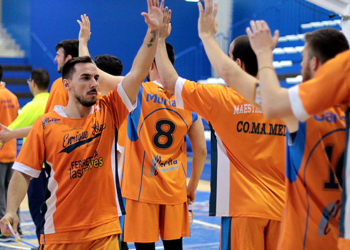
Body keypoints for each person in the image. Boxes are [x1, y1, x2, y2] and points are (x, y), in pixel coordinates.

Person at [0, 2, 164, 249]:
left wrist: (153, 32)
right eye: (85, 78)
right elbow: (23, 172)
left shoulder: (109, 110)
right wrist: (11, 210)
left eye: (96, 78)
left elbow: (138, 72)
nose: (93, 83)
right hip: (60, 234)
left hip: (104, 231)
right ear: (66, 84)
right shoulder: (45, 126)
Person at [157, 6, 286, 250]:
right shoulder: (282, 100)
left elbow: (169, 82)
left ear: (237, 63)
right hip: (283, 208)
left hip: (243, 209)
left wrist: (160, 38)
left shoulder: (221, 99)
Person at [78, 10, 207, 250]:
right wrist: (192, 187)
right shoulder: (189, 96)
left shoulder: (139, 91)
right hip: (175, 188)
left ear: (151, 64)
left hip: (142, 189)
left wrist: (84, 43)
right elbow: (200, 150)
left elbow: (96, 76)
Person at [245, 20, 350, 249]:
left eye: (303, 59)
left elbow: (267, 101)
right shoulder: (344, 113)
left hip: (308, 235)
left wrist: (263, 54)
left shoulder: (303, 115)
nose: (301, 64)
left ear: (313, 62)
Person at [3, 68, 50, 243]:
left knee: (38, 211)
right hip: (55, 169)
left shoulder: (32, 107)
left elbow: (8, 132)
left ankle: (43, 245)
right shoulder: (55, 101)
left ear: (33, 83)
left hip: (37, 170)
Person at [0, 65, 20, 242]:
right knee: (11, 192)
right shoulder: (12, 97)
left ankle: (4, 229)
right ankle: (16, 225)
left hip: (0, 151)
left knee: (0, 192)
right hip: (12, 150)